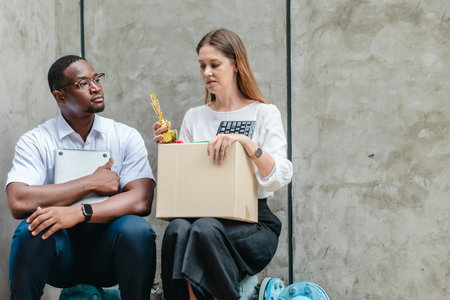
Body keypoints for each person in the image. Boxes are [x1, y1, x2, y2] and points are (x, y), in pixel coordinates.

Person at [153, 28, 293, 300]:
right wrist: (171, 151)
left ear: (236, 65)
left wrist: (245, 142)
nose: (207, 72)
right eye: (202, 65)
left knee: (204, 228)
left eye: (214, 65)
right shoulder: (195, 117)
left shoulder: (263, 113)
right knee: (178, 228)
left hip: (252, 222)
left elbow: (280, 175)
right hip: (200, 218)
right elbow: (186, 181)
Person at [6, 55, 157, 300]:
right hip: (60, 255)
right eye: (83, 83)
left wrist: (80, 212)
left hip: (108, 251)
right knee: (31, 230)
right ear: (60, 96)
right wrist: (90, 182)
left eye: (96, 79)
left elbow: (141, 200)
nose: (96, 87)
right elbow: (19, 201)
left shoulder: (124, 135)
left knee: (136, 230)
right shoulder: (36, 140)